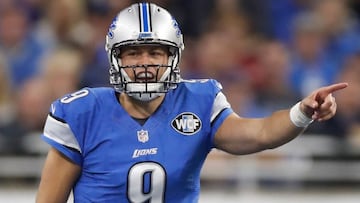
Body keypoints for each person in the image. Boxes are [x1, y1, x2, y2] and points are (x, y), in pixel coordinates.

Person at [36, 2, 348, 203]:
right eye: (133, 53)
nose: (145, 63)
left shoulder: (198, 100)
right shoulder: (82, 112)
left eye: (156, 52)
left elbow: (260, 133)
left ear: (174, 57)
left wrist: (302, 111)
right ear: (115, 58)